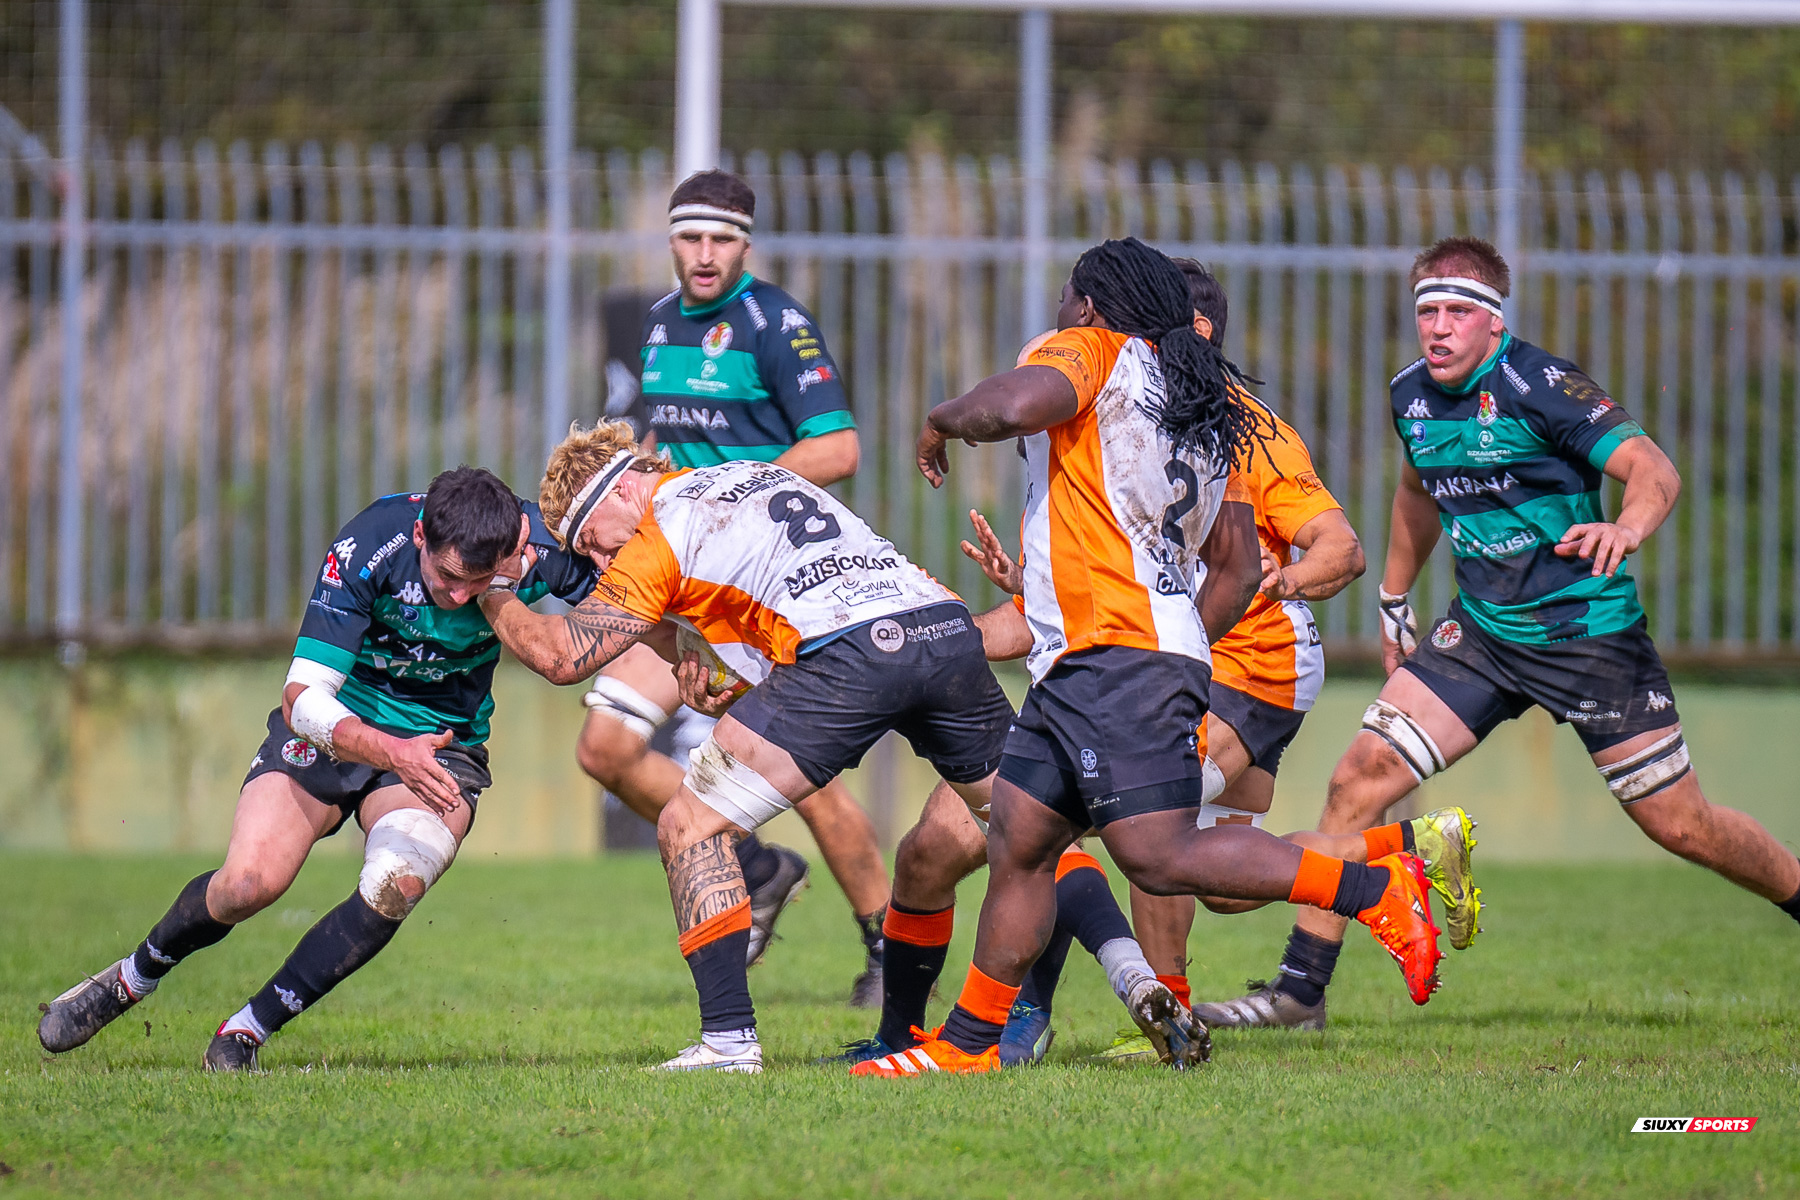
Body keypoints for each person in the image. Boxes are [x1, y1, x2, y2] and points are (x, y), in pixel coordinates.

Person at [850, 238, 1444, 1078]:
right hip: (1114, 654)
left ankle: (1379, 894)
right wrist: (1173, 637)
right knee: (1020, 839)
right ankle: (970, 1044)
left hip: (1118, 657)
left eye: (1066, 298)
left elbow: (1013, 406)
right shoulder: (1207, 402)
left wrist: (942, 417)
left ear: (1092, 306)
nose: (1059, 312)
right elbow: (1236, 563)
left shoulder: (1093, 348)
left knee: (1161, 856)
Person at [1196, 235, 1800, 1029]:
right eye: (1426, 313)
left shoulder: (1541, 386)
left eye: (1455, 312)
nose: (1438, 329)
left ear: (1492, 321)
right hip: (1481, 636)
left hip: (1588, 638)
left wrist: (1627, 530)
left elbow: (1656, 471)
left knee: (1682, 824)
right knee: (1357, 778)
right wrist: (1393, 595)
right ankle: (1298, 994)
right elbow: (1418, 489)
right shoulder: (1411, 394)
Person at [475, 422, 1025, 1073]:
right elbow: (794, 593)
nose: (599, 564)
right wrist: (714, 676)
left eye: (593, 544)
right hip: (938, 627)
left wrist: (492, 590)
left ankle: (728, 1044)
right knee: (1029, 831)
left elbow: (563, 656)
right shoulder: (757, 475)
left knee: (688, 825)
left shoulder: (662, 531)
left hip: (850, 654)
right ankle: (1123, 985)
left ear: (622, 491)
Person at [37, 469, 597, 1070]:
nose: (461, 598)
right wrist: (389, 751)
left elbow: (633, 606)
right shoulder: (368, 545)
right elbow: (301, 699)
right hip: (338, 725)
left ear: (513, 546)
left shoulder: (537, 541)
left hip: (440, 744)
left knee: (397, 884)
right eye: (447, 578)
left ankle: (245, 1032)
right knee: (247, 885)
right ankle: (132, 978)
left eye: (478, 583)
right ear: (418, 537)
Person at [578, 168, 891, 1005]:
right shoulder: (655, 326)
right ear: (672, 241)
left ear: (745, 243)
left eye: (721, 239)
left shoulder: (773, 324)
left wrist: (734, 491)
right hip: (679, 589)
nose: (705, 254)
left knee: (811, 782)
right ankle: (759, 866)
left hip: (758, 591)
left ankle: (886, 946)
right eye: (690, 237)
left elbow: (838, 450)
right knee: (604, 749)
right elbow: (658, 433)